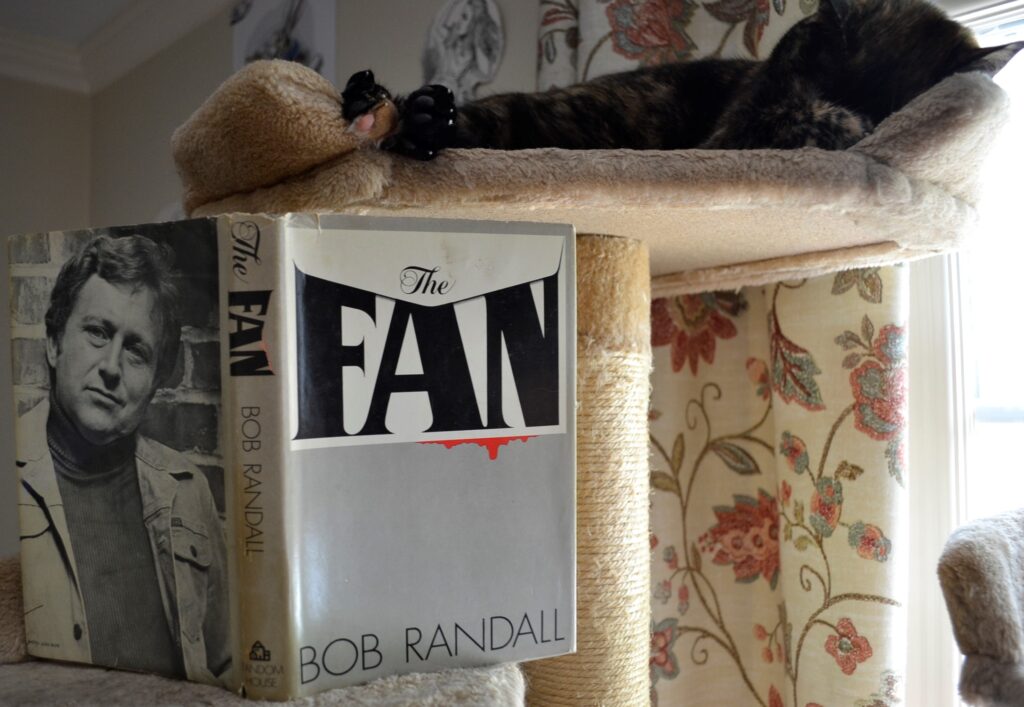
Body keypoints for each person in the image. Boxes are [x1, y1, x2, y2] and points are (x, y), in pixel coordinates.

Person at [15, 234, 230, 685]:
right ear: (54, 343)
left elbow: (226, 661)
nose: (111, 367)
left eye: (136, 351)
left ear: (154, 383)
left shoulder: (188, 490)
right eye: (97, 332)